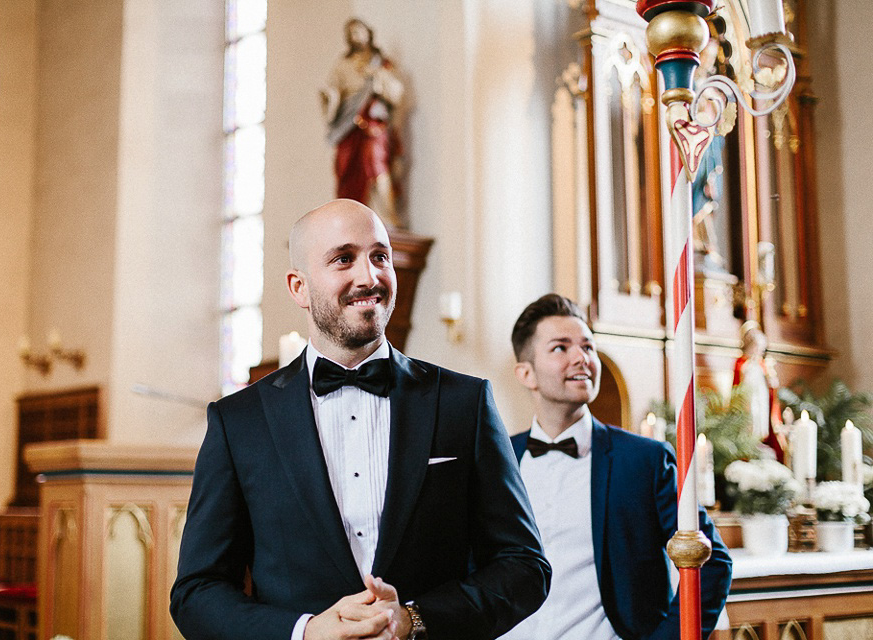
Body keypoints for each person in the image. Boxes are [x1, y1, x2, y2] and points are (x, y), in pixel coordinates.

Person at [171, 199, 550, 640]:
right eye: (343, 259)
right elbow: (197, 592)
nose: (369, 277)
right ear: (299, 286)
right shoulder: (239, 423)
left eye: (380, 257)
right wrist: (305, 632)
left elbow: (525, 567)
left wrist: (415, 619)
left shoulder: (464, 403)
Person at [501, 293, 731, 640]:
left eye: (588, 347)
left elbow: (711, 562)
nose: (582, 358)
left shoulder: (644, 460)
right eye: (561, 348)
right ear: (526, 373)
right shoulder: (499, 458)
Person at [321, 19, 404, 229]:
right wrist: (331, 98)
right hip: (349, 127)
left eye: (359, 31)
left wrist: (378, 79)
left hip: (373, 125)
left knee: (376, 165)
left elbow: (396, 92)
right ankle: (348, 222)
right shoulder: (342, 64)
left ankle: (385, 216)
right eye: (352, 33)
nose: (356, 36)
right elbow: (333, 92)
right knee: (347, 169)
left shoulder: (380, 62)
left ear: (368, 33)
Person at [732, 320, 784, 461]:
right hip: (749, 400)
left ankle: (761, 443)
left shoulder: (762, 364)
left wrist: (772, 381)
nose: (760, 352)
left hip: (761, 399)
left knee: (761, 421)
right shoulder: (742, 363)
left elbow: (771, 384)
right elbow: (739, 386)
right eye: (758, 348)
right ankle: (751, 445)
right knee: (751, 422)